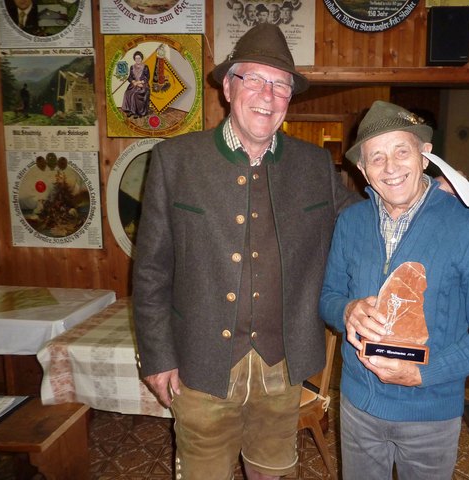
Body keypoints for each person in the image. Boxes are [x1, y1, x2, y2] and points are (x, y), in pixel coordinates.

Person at [132, 23, 358, 480]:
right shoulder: (175, 160)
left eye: (280, 85)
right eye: (254, 79)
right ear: (229, 88)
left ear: (289, 99)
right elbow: (151, 270)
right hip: (200, 366)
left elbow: (362, 227)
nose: (267, 95)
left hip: (283, 367)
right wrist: (157, 358)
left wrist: (418, 195)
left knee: (271, 473)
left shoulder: (314, 164)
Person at [319, 101, 469, 480]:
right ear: (362, 170)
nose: (390, 168)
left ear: (424, 156)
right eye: (376, 158)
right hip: (359, 407)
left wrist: (423, 374)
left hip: (431, 414)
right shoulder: (350, 222)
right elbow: (327, 297)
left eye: (401, 151)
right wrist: (346, 311)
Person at [121, 50, 150, 119]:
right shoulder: (132, 67)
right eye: (136, 58)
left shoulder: (145, 67)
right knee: (127, 93)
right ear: (134, 59)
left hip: (142, 85)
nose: (138, 60)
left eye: (139, 58)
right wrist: (133, 82)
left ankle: (136, 112)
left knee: (136, 94)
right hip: (134, 85)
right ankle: (130, 111)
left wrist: (140, 82)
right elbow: (130, 77)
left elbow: (147, 77)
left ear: (141, 58)